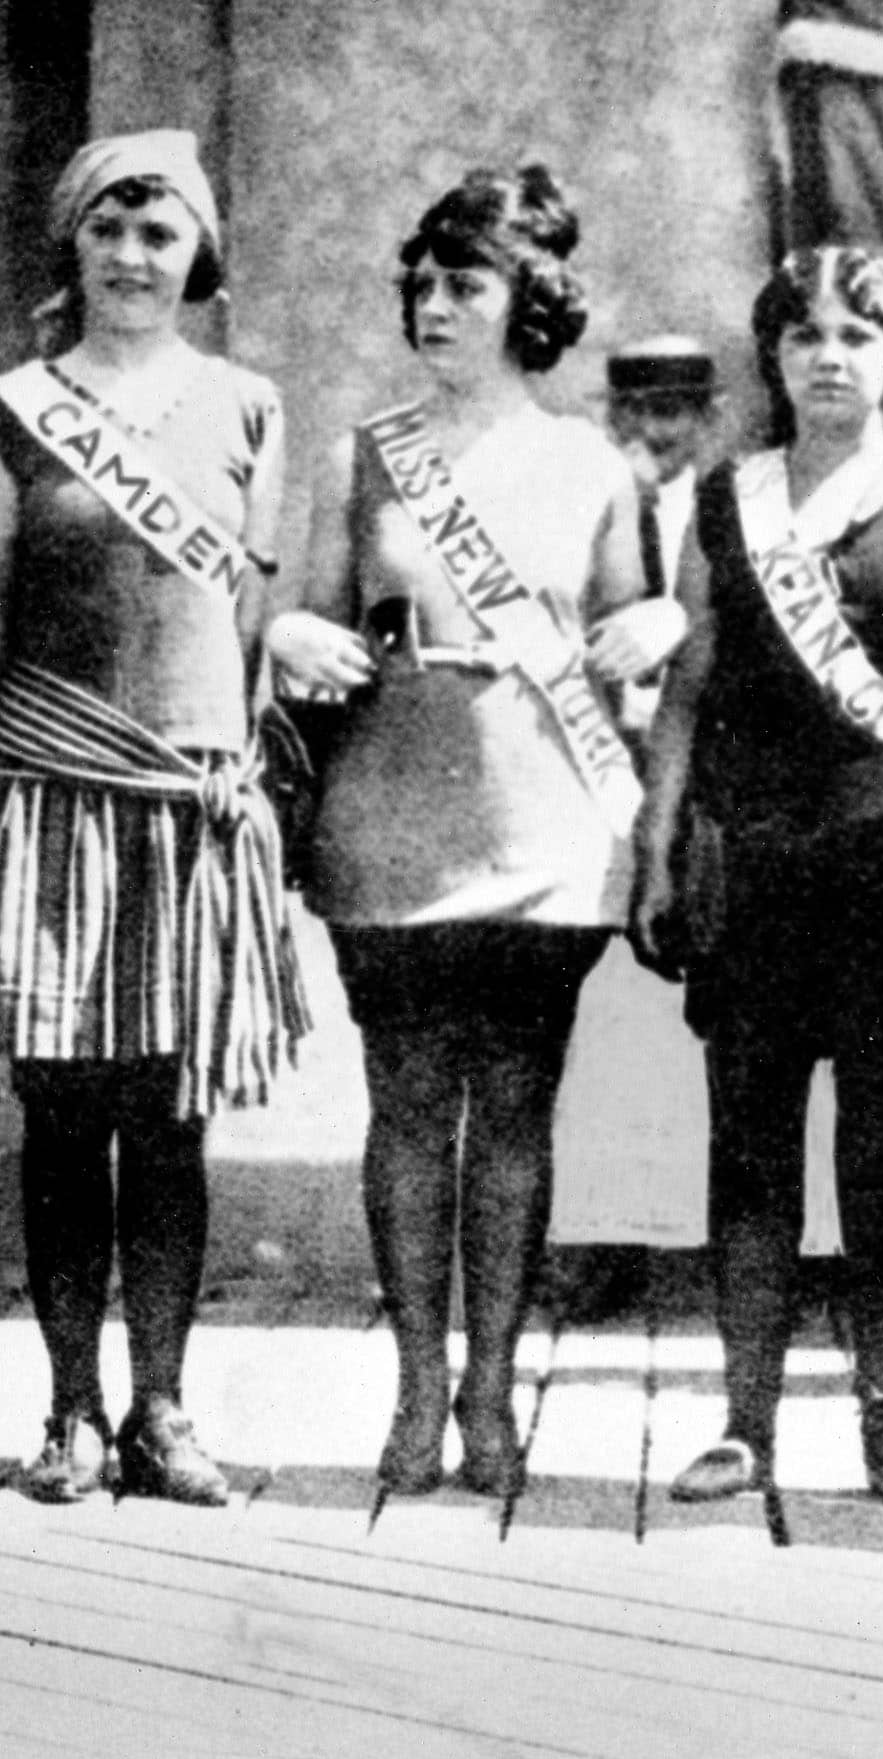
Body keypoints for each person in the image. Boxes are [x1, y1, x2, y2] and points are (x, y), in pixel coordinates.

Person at [273, 164, 678, 1497]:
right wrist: (291, 636)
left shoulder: (590, 462)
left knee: (511, 1114)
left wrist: (660, 625)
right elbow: (308, 621)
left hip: (546, 826)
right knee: (402, 1110)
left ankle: (493, 1394)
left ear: (529, 302)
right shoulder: (366, 453)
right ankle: (412, 1393)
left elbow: (631, 647)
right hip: (394, 812)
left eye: (468, 283)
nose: (436, 305)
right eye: (424, 282)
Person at [634, 245, 883, 1512]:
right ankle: (744, 1416)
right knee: (747, 1144)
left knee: (881, 1144)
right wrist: (657, 840)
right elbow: (685, 685)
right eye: (801, 333)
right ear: (774, 355)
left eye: (856, 334)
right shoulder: (721, 499)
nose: (827, 354)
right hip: (752, 865)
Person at [0, 128, 302, 1507]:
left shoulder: (246, 405)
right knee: (59, 1116)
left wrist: (218, 756)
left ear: (197, 253)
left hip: (185, 808)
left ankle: (163, 1406)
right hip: (54, 794)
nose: (133, 258)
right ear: (72, 246)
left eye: (160, 234)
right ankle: (69, 1411)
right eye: (108, 229)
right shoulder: (8, 406)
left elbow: (250, 620)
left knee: (169, 1119)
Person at [605, 335, 722, 737]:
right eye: (628, 411)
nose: (644, 430)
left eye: (666, 412)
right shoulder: (578, 513)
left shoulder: (731, 517)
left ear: (707, 419)